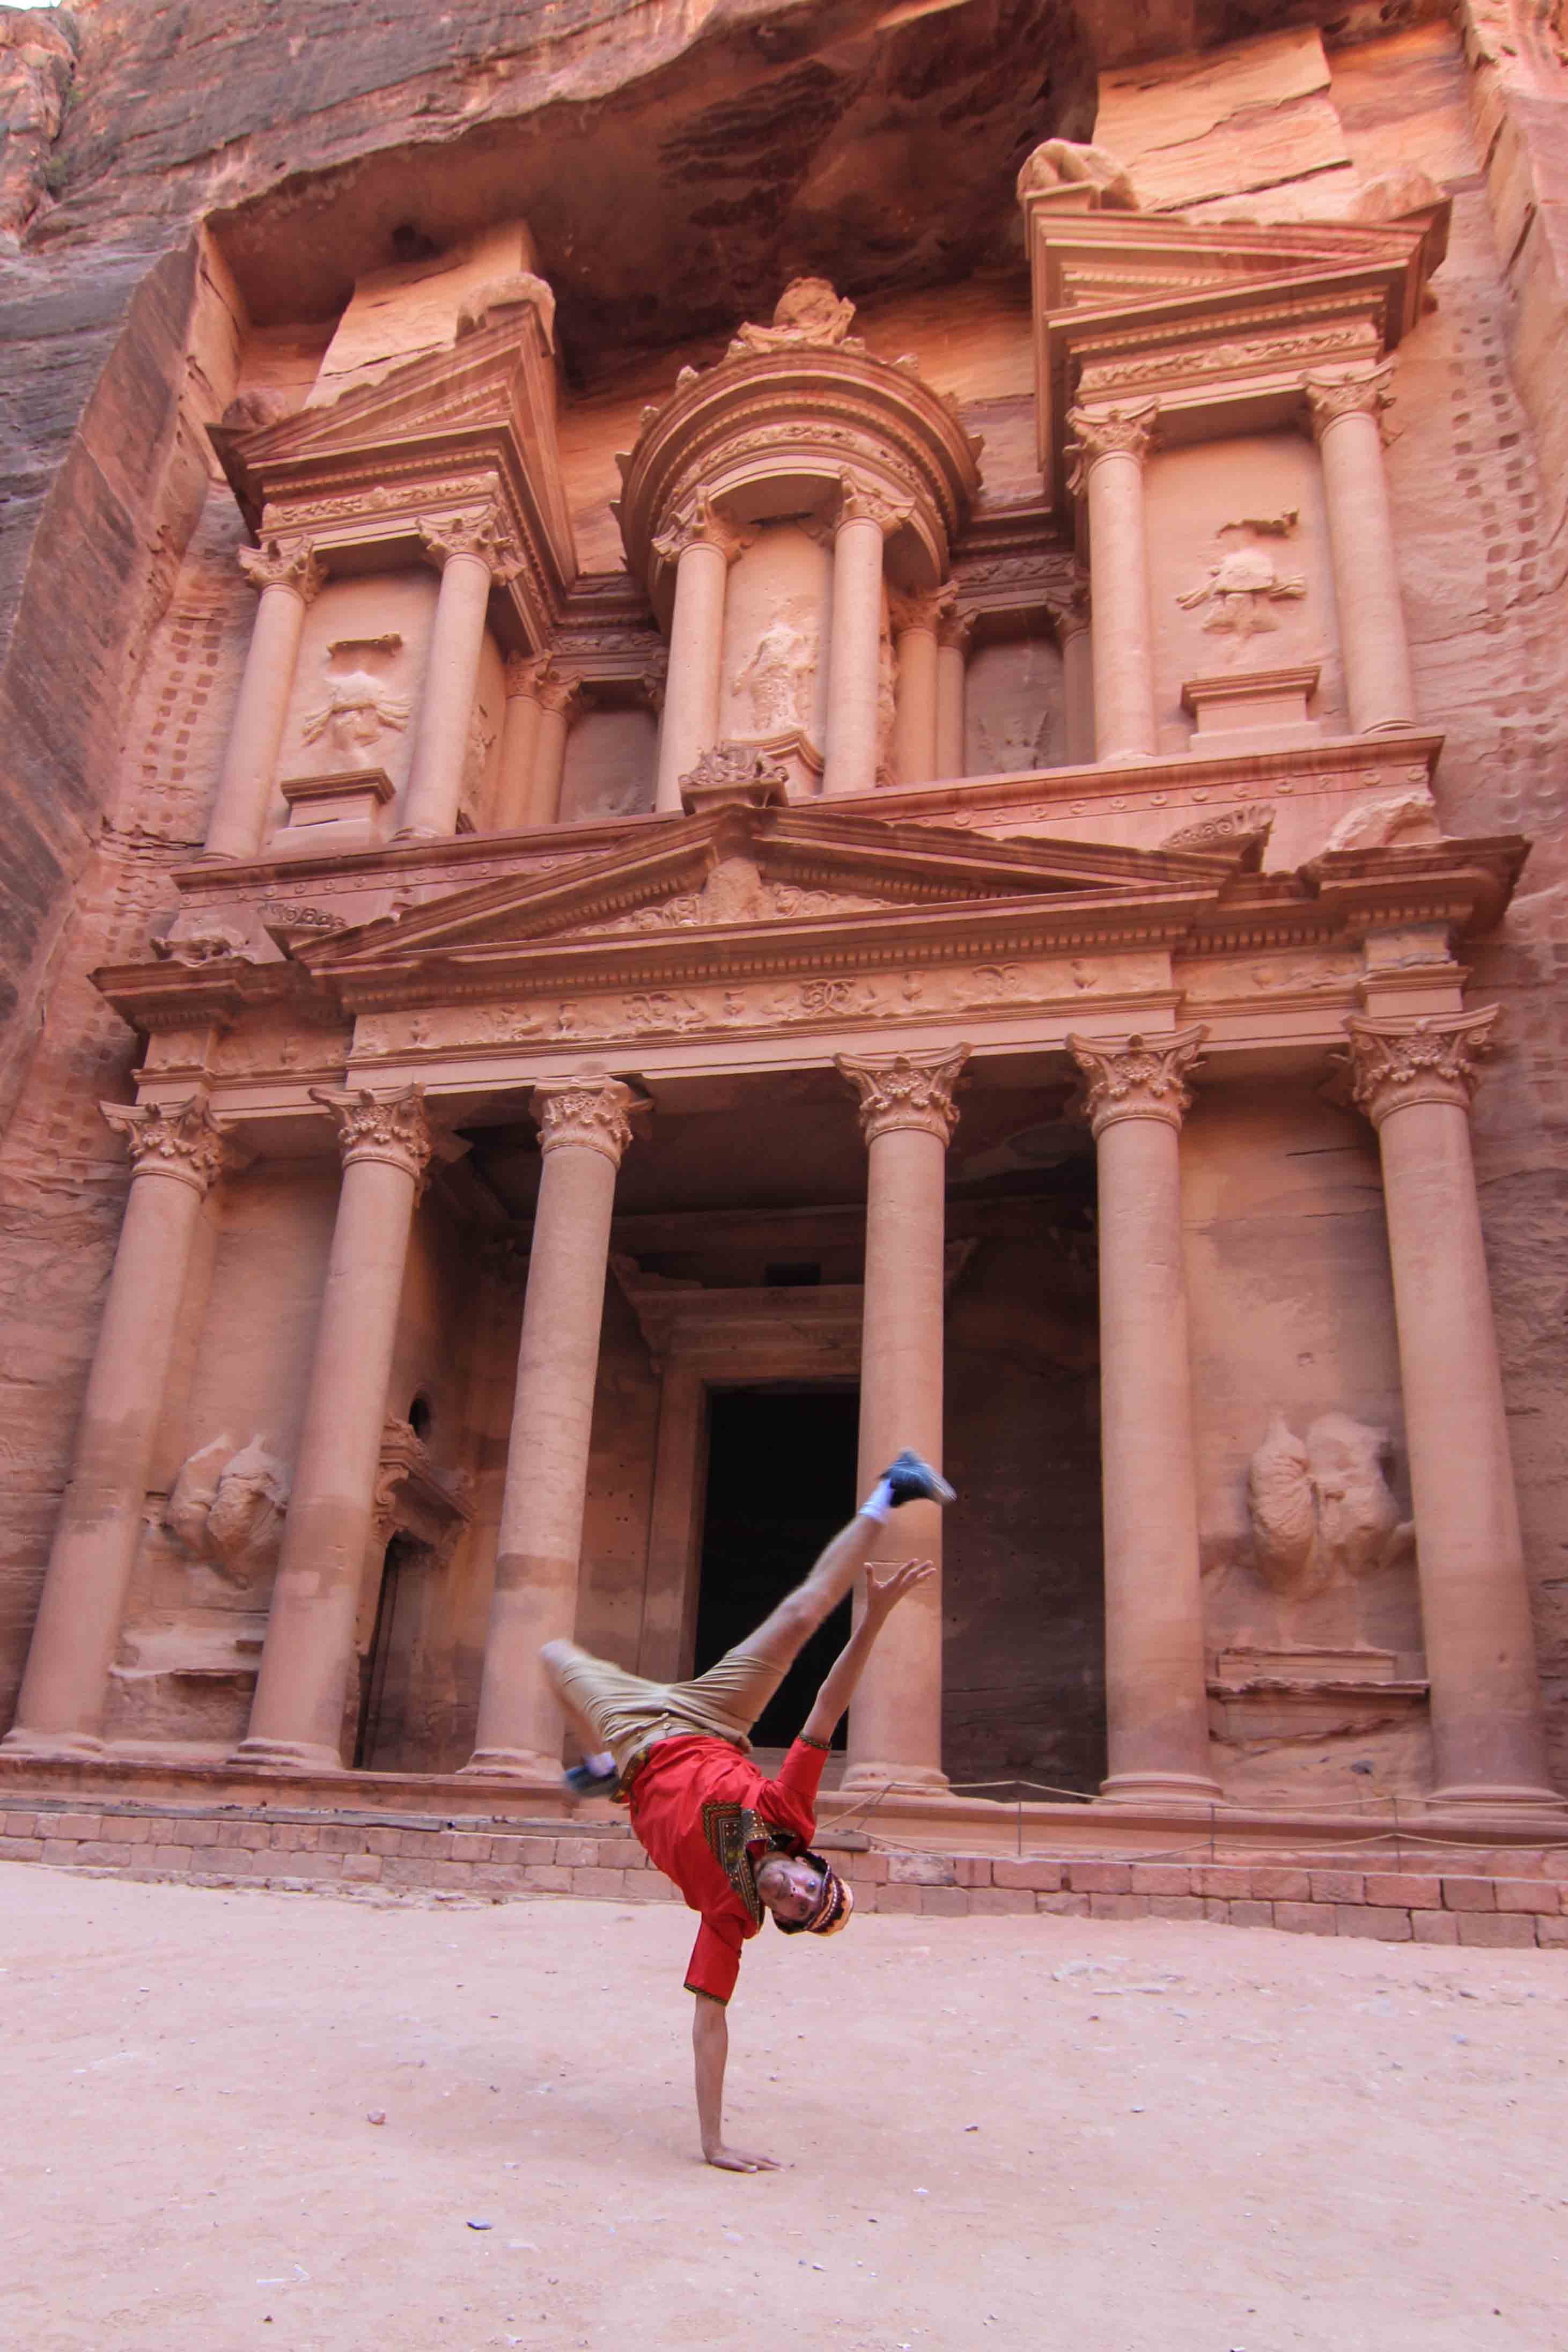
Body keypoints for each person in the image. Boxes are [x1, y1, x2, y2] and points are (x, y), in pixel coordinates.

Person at [540, 1448, 955, 2171]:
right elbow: (827, 1707)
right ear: (808, 1862)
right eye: (811, 1884)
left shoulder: (728, 1918)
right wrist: (874, 1618)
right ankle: (892, 1490)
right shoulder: (789, 1815)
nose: (796, 1891)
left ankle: (608, 1771)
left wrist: (713, 2143)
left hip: (638, 1737)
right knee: (801, 1613)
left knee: (551, 1656)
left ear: (781, 1920)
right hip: (709, 1716)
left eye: (798, 1908)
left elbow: (710, 2025)